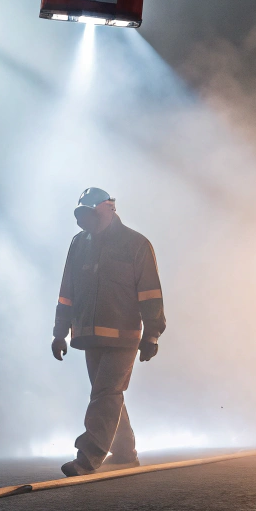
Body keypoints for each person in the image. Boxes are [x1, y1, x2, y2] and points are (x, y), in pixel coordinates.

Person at [51, 187, 166, 476]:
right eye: (80, 214)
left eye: (89, 213)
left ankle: (87, 457)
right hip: (89, 334)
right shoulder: (79, 244)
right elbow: (67, 291)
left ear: (107, 209)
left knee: (105, 393)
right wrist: (60, 331)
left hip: (124, 336)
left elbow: (150, 293)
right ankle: (125, 453)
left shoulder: (135, 244)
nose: (84, 220)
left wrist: (152, 334)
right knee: (108, 394)